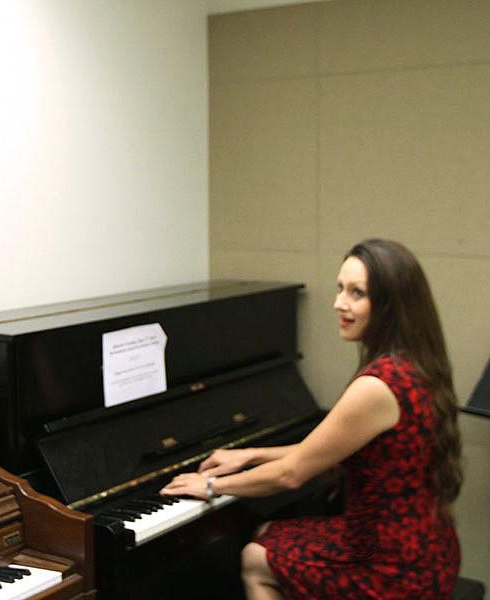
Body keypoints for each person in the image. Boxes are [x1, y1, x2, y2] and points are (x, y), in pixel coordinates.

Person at [161, 239, 462, 599]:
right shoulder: (414, 363)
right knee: (267, 532)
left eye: (357, 293)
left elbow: (293, 474)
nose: (339, 303)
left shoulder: (377, 386)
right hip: (424, 545)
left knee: (255, 558)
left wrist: (210, 487)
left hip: (390, 566)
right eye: (340, 289)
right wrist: (251, 454)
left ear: (390, 305)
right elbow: (323, 450)